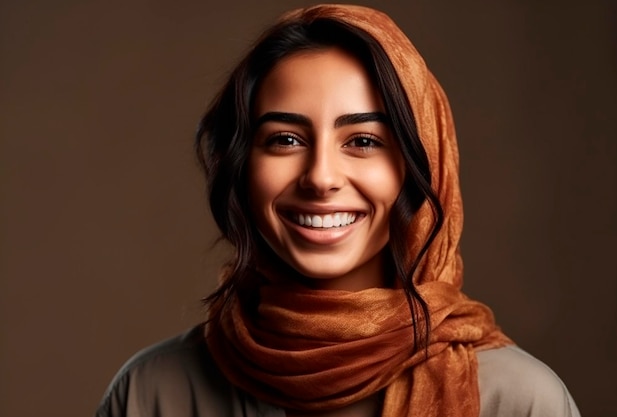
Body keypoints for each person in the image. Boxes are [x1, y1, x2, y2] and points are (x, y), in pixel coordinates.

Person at [95, 4, 580, 417]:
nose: (321, 177)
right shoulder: (153, 394)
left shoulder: (516, 400)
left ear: (420, 167)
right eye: (285, 139)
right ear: (242, 166)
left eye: (364, 141)